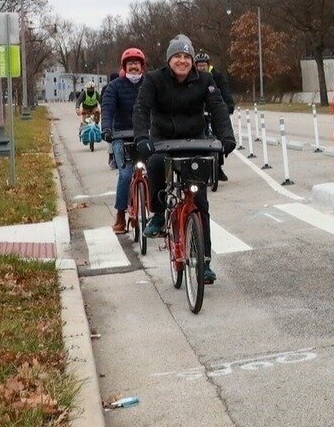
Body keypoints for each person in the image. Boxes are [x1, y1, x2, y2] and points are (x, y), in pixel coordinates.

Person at [134, 35, 236, 284]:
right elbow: (141, 108)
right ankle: (158, 214)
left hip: (195, 142)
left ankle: (205, 263)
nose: (182, 60)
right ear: (169, 59)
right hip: (163, 142)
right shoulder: (154, 80)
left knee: (200, 202)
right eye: (177, 56)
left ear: (192, 60)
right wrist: (141, 137)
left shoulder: (205, 80)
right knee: (156, 164)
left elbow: (219, 108)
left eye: (186, 56)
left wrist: (227, 137)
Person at [101, 47, 148, 233]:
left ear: (142, 66)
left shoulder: (150, 84)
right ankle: (121, 215)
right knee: (126, 174)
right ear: (125, 66)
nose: (134, 66)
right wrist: (106, 128)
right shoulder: (115, 87)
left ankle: (155, 212)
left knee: (153, 170)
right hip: (121, 135)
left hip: (145, 134)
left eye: (137, 63)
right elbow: (107, 108)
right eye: (130, 63)